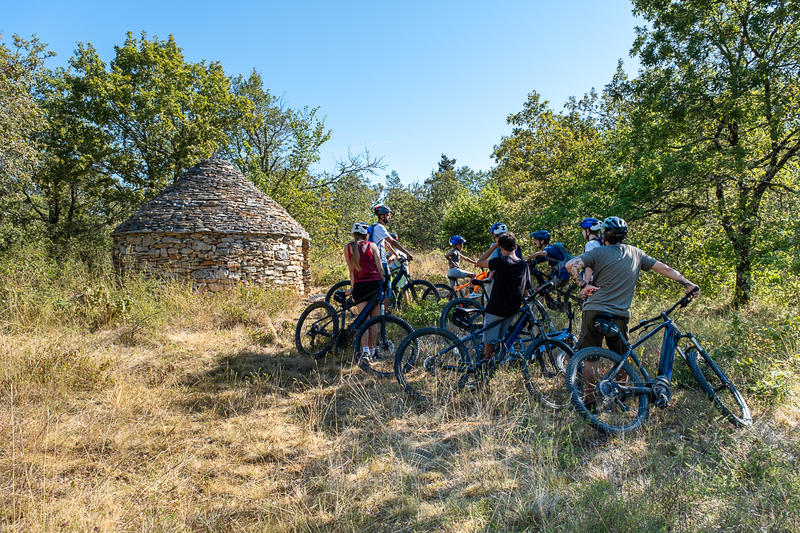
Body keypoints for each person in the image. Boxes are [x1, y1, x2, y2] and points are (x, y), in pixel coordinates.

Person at [565, 216, 698, 406]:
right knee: (622, 357)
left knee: (590, 358)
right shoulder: (636, 254)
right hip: (619, 314)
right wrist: (687, 283)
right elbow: (665, 269)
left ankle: (590, 402)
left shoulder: (597, 253)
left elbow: (570, 265)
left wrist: (583, 285)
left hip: (593, 310)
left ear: (604, 235)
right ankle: (620, 395)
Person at [476, 232, 531, 361]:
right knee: (501, 340)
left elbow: (480, 262)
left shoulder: (500, 261)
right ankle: (495, 363)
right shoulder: (524, 265)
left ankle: (485, 366)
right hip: (512, 310)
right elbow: (526, 293)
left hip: (496, 308)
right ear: (515, 247)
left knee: (489, 343)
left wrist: (494, 246)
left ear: (501, 248)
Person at [344, 222, 385, 362]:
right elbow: (380, 269)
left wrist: (352, 288)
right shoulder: (372, 246)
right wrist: (384, 281)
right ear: (366, 234)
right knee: (374, 321)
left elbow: (351, 272)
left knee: (364, 321)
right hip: (373, 285)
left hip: (359, 287)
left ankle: (365, 352)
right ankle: (373, 351)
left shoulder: (347, 248)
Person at [577, 217, 603, 287]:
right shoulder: (601, 242)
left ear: (587, 230)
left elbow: (589, 267)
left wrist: (585, 286)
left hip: (593, 283)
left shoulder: (591, 244)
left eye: (583, 230)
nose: (582, 232)